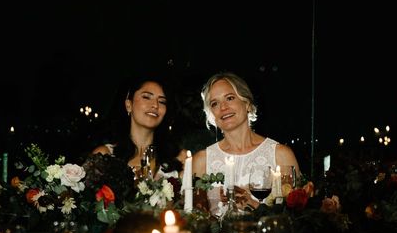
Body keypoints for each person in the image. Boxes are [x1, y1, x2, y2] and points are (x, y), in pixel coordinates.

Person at [192, 72, 301, 209]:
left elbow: (294, 219)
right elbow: (194, 218)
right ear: (211, 114)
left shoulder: (280, 155)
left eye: (230, 98)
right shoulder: (201, 161)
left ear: (247, 104)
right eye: (214, 104)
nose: (223, 108)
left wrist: (252, 204)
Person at [92, 75, 186, 177]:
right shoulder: (104, 155)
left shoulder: (179, 159)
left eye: (162, 101)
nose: (155, 105)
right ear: (129, 105)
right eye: (146, 97)